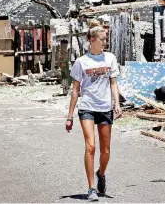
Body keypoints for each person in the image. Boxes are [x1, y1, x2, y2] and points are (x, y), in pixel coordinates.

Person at [65, 20, 122, 201]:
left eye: (106, 39)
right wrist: (70, 116)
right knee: (90, 146)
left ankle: (101, 174)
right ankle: (91, 189)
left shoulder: (110, 58)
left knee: (105, 152)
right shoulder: (81, 62)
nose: (105, 42)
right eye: (103, 39)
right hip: (87, 107)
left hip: (104, 107)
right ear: (92, 40)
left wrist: (117, 103)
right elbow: (75, 90)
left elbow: (113, 83)